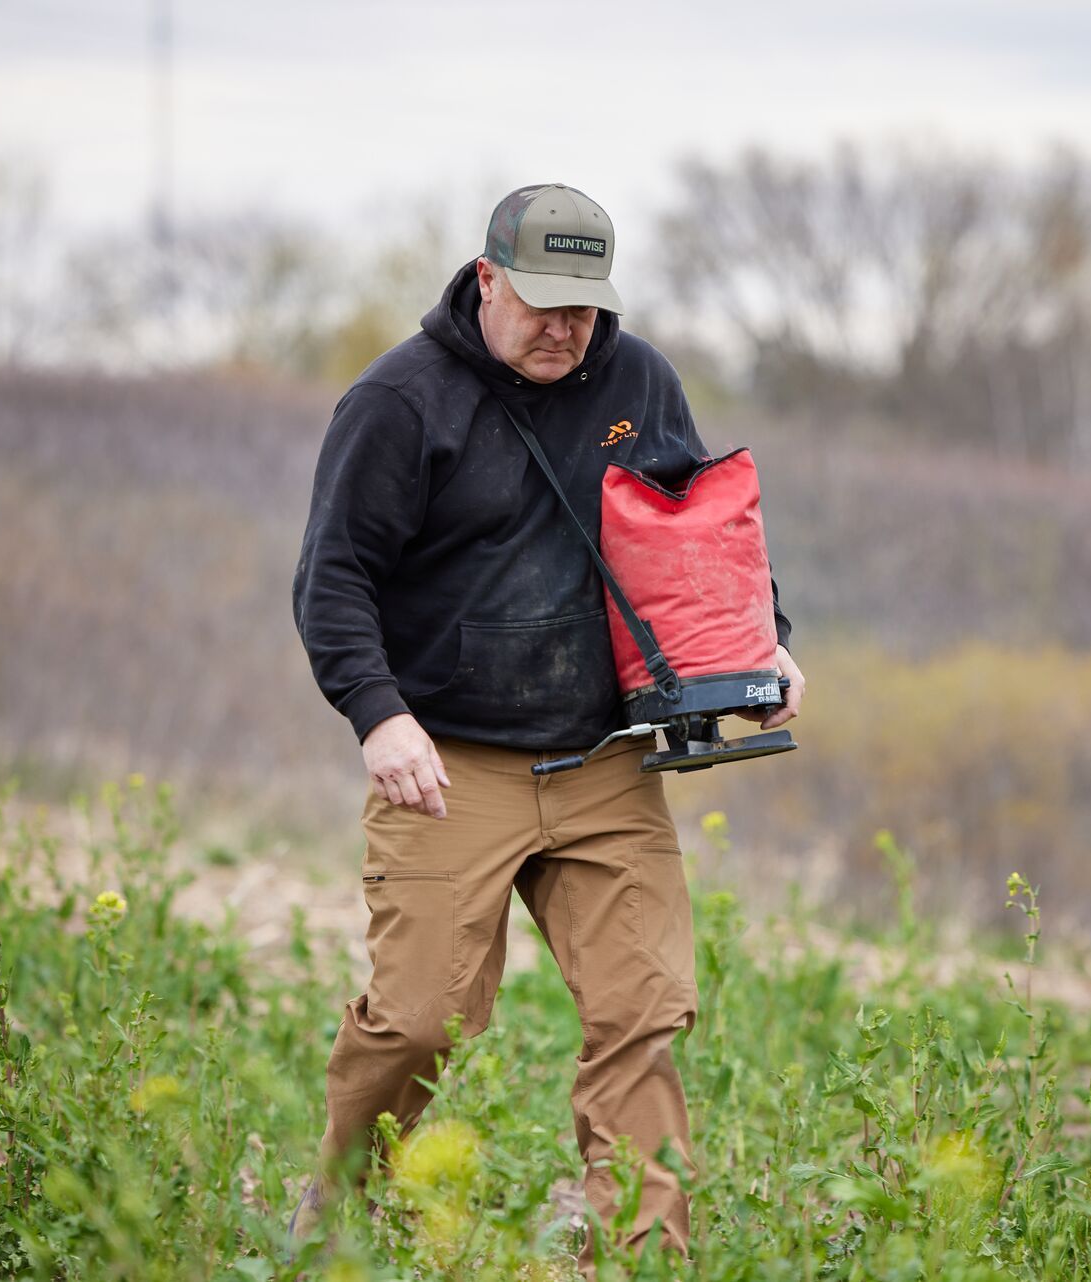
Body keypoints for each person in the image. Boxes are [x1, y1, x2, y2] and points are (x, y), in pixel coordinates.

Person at [288, 182, 804, 1266]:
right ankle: (333, 1222)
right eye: (542, 303)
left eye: (585, 305)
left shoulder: (636, 379)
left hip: (604, 760)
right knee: (421, 1021)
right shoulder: (399, 402)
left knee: (641, 1013)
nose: (567, 328)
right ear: (488, 280)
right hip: (450, 762)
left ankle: (637, 1250)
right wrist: (379, 718)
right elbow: (333, 579)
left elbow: (695, 534)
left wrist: (762, 648)